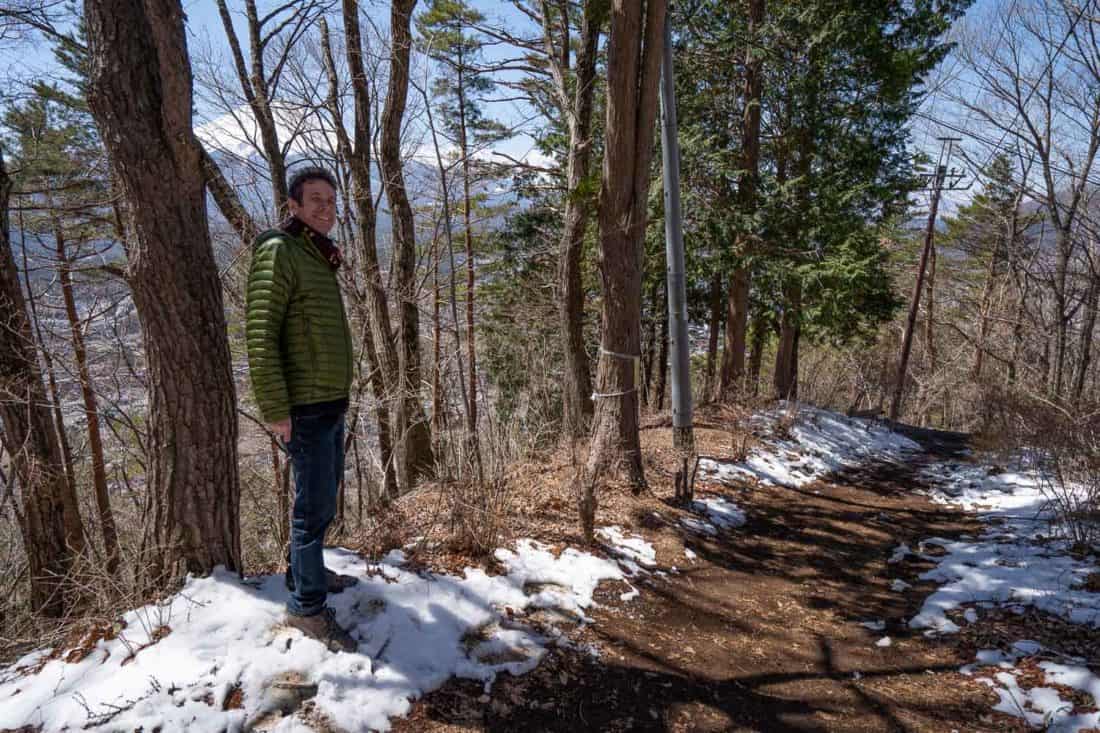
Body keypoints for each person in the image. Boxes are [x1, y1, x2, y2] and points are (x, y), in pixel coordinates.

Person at [245, 167, 358, 653]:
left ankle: (305, 574)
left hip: (328, 402)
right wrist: (275, 407)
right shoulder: (279, 250)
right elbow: (261, 333)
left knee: (323, 501)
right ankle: (306, 608)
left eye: (331, 201)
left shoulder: (316, 253)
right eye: (315, 199)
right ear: (292, 205)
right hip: (305, 407)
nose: (325, 208)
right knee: (311, 510)